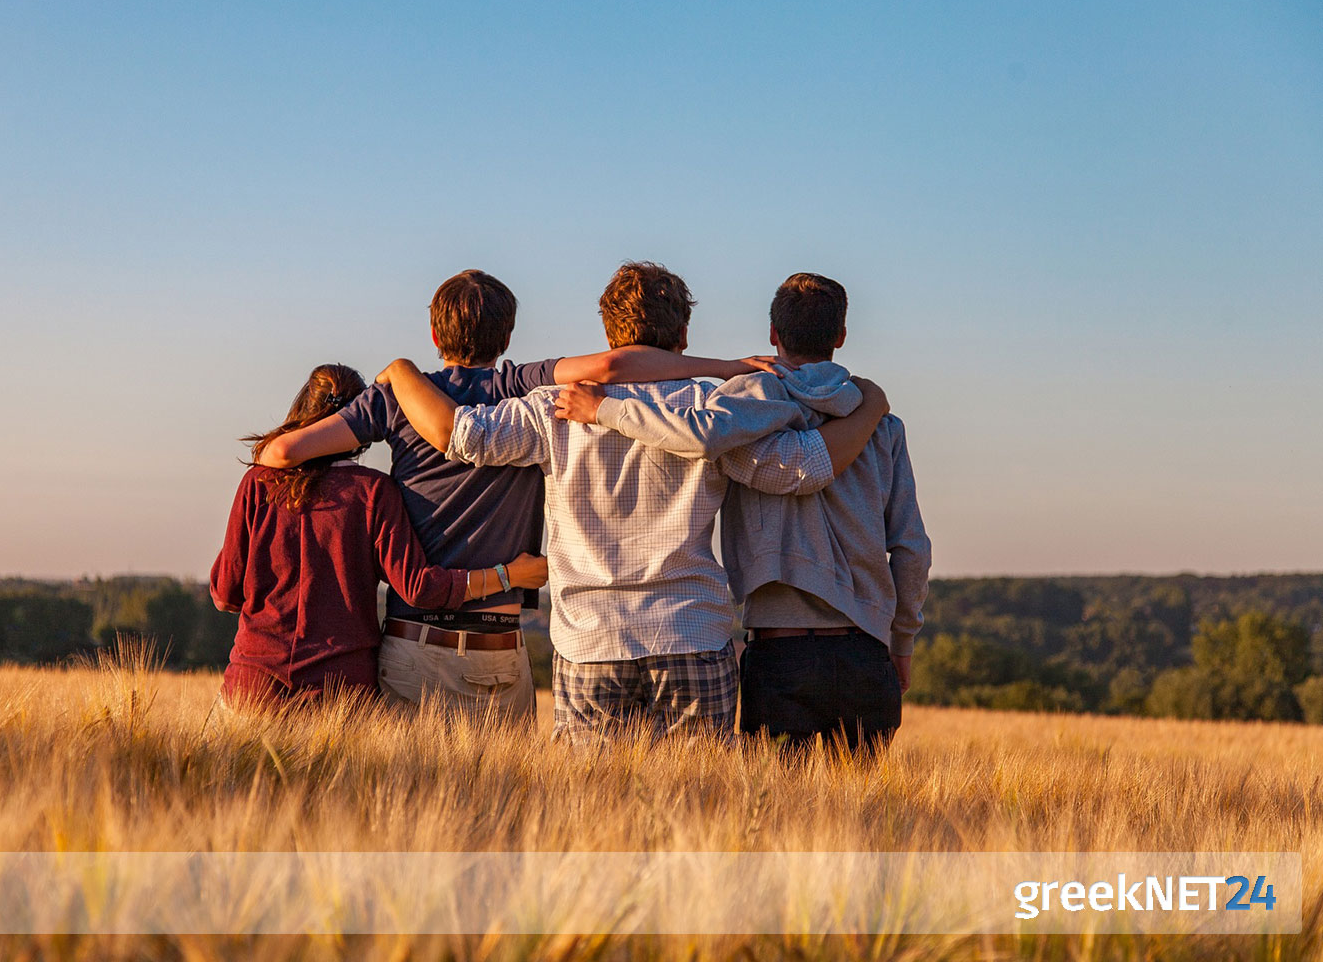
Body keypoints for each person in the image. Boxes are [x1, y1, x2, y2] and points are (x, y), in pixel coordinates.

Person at [376, 262, 890, 744]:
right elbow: (799, 469)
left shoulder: (552, 408)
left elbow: (462, 436)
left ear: (608, 335)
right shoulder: (712, 409)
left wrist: (401, 372)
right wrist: (870, 408)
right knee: (699, 811)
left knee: (592, 813)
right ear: (683, 337)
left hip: (589, 640)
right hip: (690, 631)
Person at [253, 269, 779, 720]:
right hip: (498, 648)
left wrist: (394, 378)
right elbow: (613, 367)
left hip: (414, 641)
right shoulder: (520, 386)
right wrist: (726, 368)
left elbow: (280, 456)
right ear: (507, 337)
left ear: (435, 334)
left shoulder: (395, 398)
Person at [555, 272, 930, 755]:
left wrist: (606, 409)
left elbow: (701, 436)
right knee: (859, 820)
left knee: (772, 817)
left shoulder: (740, 410)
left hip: (780, 652)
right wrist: (901, 642)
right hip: (867, 651)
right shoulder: (882, 425)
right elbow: (911, 548)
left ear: (774, 334)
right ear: (840, 337)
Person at [209, 363, 548, 711]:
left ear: (303, 411)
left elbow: (226, 593)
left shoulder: (258, 483)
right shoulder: (373, 492)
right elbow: (419, 588)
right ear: (360, 424)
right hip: (341, 693)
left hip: (254, 685)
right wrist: (509, 575)